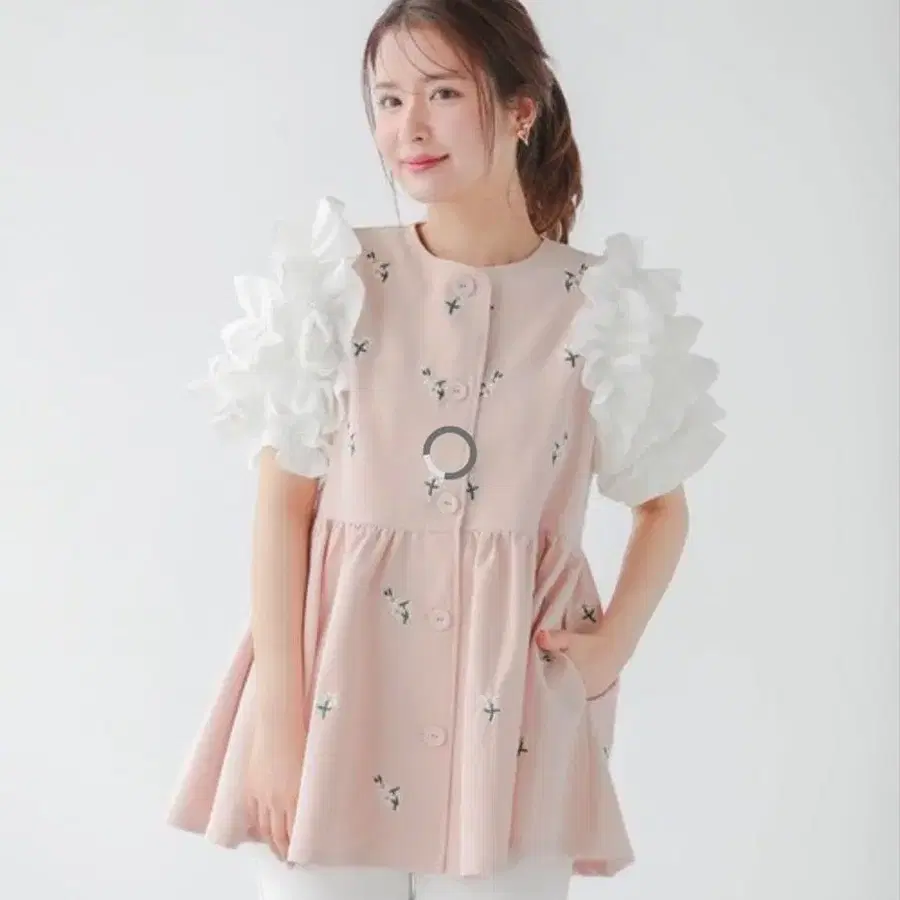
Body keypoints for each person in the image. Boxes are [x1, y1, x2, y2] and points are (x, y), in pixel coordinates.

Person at [165, 1, 726, 898]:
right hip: (334, 702)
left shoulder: (602, 308)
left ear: (520, 107)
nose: (409, 127)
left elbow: (663, 506)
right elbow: (283, 505)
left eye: (443, 93)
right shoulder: (336, 283)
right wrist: (278, 724)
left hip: (515, 728)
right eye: (389, 100)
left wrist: (610, 648)